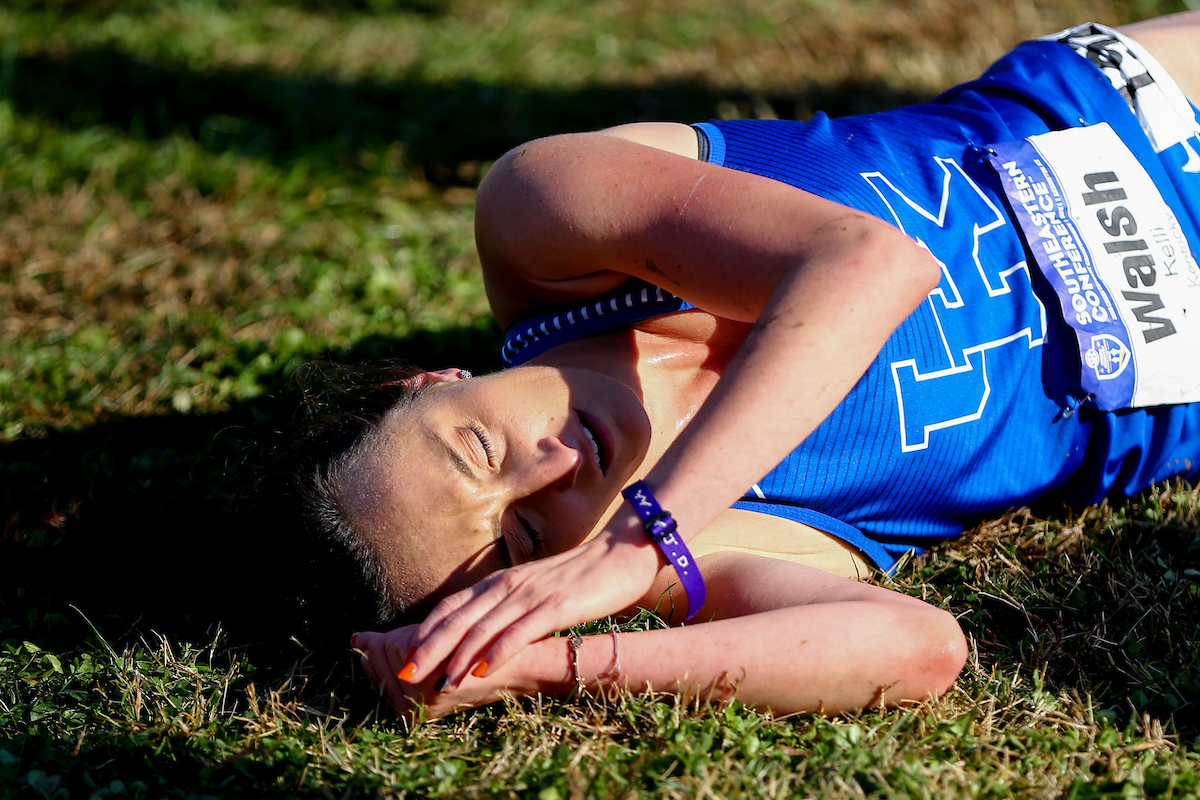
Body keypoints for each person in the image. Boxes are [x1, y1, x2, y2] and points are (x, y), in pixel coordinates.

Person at [325, 13, 1200, 720]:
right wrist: (543, 665)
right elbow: (917, 647)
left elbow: (872, 265)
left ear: (432, 382)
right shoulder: (715, 537)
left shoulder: (545, 222)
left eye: (479, 450)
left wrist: (636, 541)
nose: (556, 471)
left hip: (1137, 106)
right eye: (527, 538)